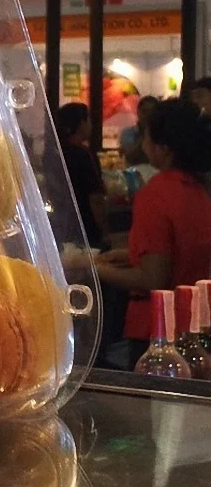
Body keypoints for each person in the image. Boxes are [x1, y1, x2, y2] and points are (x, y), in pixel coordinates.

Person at [96, 99, 211, 368]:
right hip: (196, 323)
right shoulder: (199, 190)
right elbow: (181, 251)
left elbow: (153, 278)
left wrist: (91, 268)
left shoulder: (155, 193)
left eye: (144, 135)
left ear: (163, 147)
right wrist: (130, 254)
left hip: (156, 329)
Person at [55, 102, 108, 249]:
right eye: (89, 119)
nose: (91, 124)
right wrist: (104, 231)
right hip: (86, 226)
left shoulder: (54, 151)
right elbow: (95, 198)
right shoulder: (83, 154)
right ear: (81, 124)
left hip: (62, 224)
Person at [119, 95, 159, 166]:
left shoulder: (161, 134)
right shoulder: (128, 133)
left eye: (151, 112)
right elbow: (129, 156)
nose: (147, 115)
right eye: (145, 111)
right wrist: (145, 133)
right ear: (138, 112)